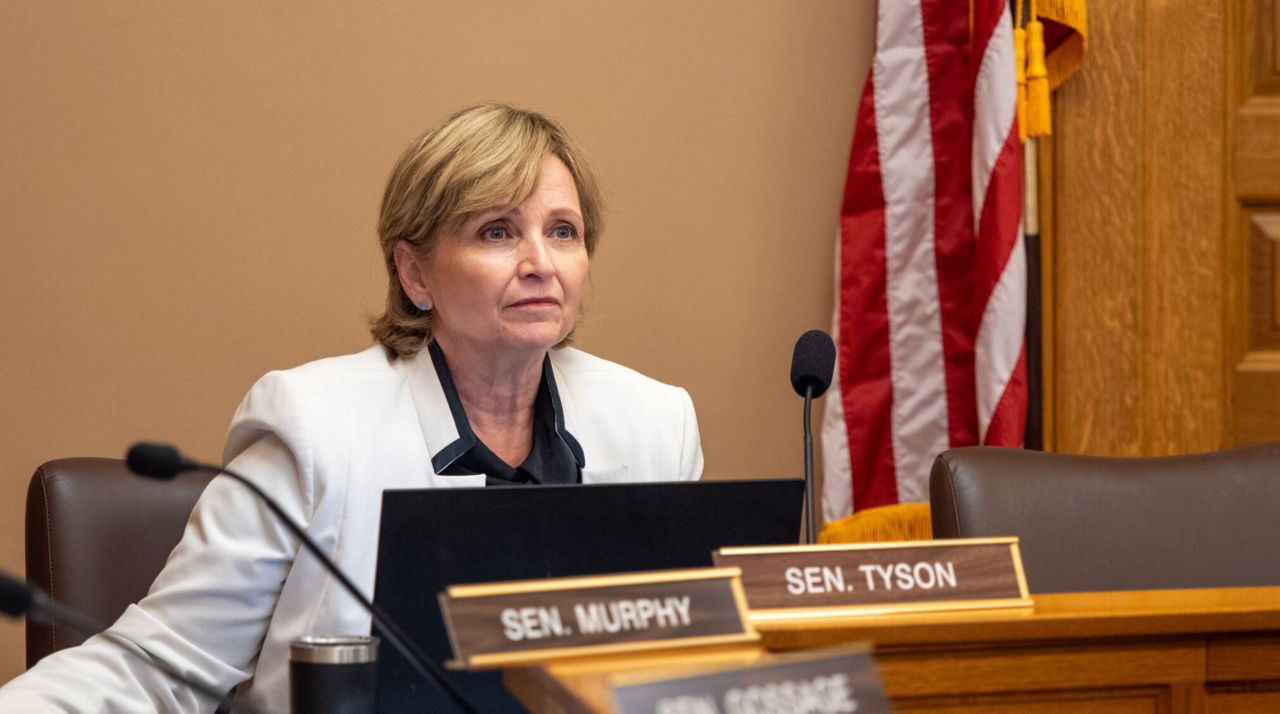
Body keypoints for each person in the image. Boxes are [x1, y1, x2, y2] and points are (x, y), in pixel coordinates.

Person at [0, 103, 703, 712]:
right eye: (497, 231)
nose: (540, 263)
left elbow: (693, 665)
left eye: (563, 232)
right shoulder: (315, 425)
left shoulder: (653, 423)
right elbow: (159, 665)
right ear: (414, 272)